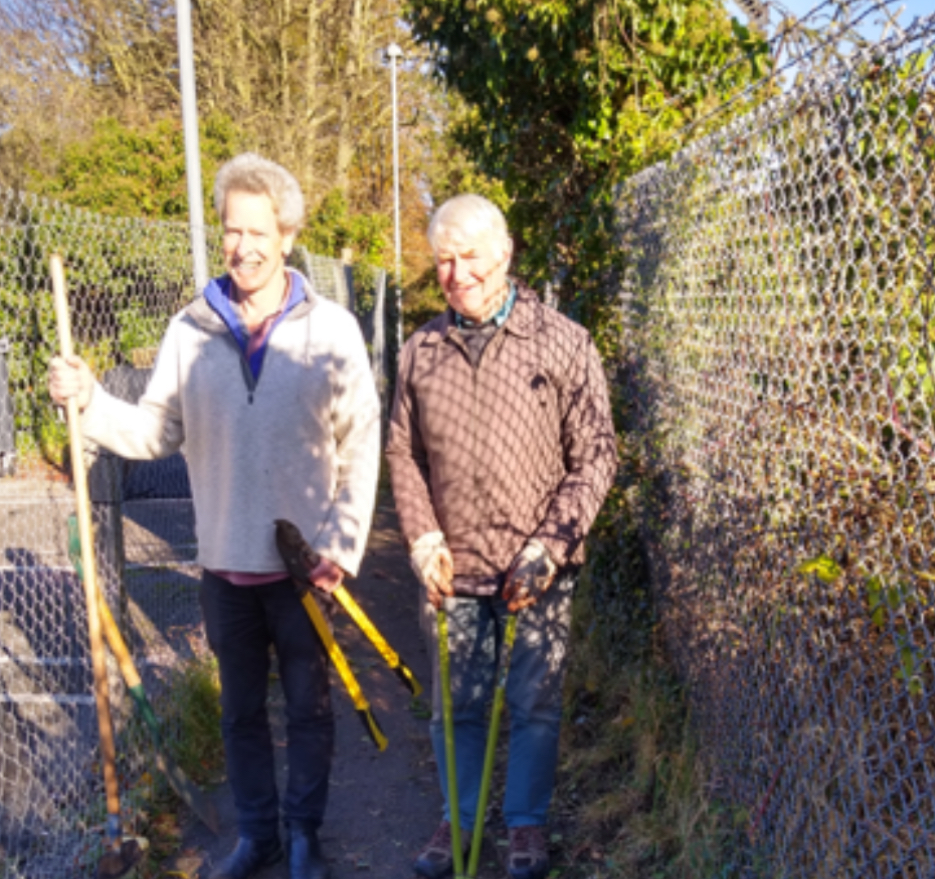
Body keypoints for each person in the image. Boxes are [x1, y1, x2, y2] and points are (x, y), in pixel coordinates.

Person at [48, 153, 380, 879]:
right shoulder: (189, 329)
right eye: (232, 230)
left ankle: (303, 838)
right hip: (225, 563)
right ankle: (256, 836)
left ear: (287, 235)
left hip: (304, 568)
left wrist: (341, 546)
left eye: (258, 231)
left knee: (308, 710)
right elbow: (154, 433)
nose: (243, 247)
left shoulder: (332, 331)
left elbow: (361, 443)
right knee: (239, 716)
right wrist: (89, 401)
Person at [386, 194, 617, 879]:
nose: (457, 273)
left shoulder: (563, 342)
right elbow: (402, 454)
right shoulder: (420, 351)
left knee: (534, 702)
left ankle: (524, 824)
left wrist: (550, 546)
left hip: (535, 565)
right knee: (453, 702)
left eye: (471, 256)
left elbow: (597, 455)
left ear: (506, 253)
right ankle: (458, 817)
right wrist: (423, 536)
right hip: (453, 565)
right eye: (443, 261)